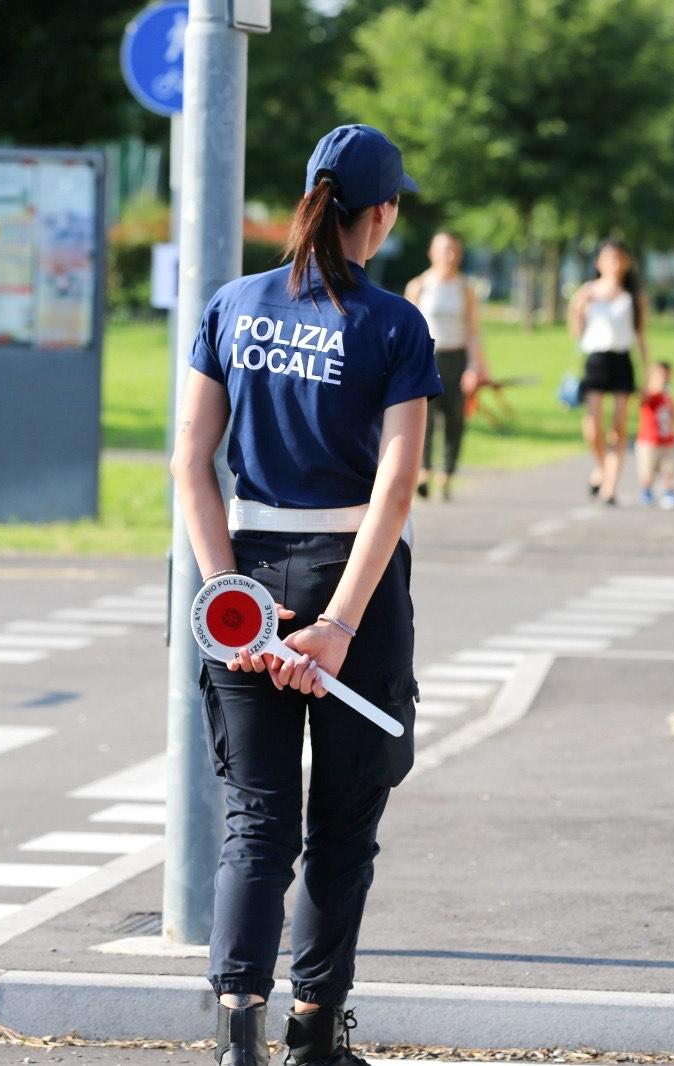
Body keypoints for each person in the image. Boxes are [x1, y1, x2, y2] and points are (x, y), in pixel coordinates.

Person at [172, 124, 439, 1066]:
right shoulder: (395, 324)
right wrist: (337, 624)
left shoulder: (233, 305)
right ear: (382, 214)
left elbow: (189, 463)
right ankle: (314, 1033)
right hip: (349, 578)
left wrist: (226, 596)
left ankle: (235, 1032)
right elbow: (396, 488)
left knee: (257, 814)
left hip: (243, 565)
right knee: (343, 819)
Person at [405, 231, 487, 502]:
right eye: (444, 249)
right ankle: (425, 472)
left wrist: (475, 367)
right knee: (425, 418)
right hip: (429, 357)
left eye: (454, 250)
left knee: (455, 419)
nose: (449, 255)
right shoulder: (419, 285)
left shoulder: (465, 289)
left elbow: (473, 332)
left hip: (457, 357)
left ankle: (447, 475)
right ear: (432, 252)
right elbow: (409, 331)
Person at [567, 240, 649, 505]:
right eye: (608, 259)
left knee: (619, 424)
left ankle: (610, 485)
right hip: (596, 359)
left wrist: (648, 373)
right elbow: (576, 333)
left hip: (622, 358)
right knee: (593, 424)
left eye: (619, 259)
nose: (614, 264)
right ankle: (602, 467)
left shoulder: (632, 296)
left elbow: (641, 336)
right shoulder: (588, 292)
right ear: (598, 263)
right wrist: (578, 306)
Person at [636, 361, 674, 510]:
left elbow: (673, 415)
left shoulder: (669, 396)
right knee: (647, 470)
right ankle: (647, 491)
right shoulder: (650, 395)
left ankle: (670, 492)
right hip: (649, 441)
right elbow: (643, 399)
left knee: (669, 469)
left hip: (667, 441)